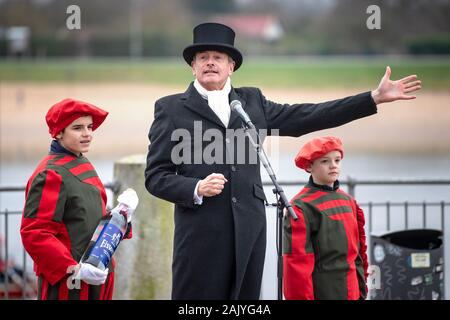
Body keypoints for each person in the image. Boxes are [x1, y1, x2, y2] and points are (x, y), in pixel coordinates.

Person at [144, 22, 421, 300]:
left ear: (231, 66)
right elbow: (156, 176)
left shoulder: (251, 101)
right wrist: (195, 187)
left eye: (218, 57)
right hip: (200, 234)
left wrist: (372, 98)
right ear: (193, 66)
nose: (210, 63)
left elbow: (308, 115)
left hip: (250, 229)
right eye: (203, 58)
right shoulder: (170, 109)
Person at [20, 98, 131, 300]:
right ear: (59, 132)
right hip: (70, 281)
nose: (87, 133)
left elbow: (90, 214)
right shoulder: (50, 174)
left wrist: (122, 217)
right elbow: (35, 233)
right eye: (78, 128)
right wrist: (72, 268)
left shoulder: (80, 160)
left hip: (98, 272)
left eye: (89, 127)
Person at [282, 136, 368, 300]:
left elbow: (358, 254)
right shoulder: (300, 207)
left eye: (337, 160)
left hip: (353, 293)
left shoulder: (349, 202)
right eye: (325, 161)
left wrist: (362, 291)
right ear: (309, 166)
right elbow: (296, 265)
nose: (333, 165)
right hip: (323, 293)